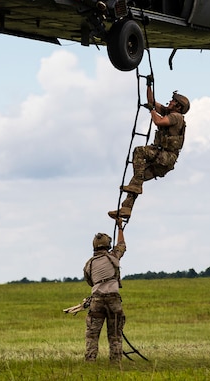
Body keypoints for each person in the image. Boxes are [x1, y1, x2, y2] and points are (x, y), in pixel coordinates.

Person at [109, 81, 189, 220]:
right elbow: (151, 101)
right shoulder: (168, 112)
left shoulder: (176, 117)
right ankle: (125, 209)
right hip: (163, 160)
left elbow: (158, 122)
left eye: (173, 101)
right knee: (136, 181)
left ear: (178, 106)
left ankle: (134, 191)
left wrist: (152, 110)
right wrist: (148, 86)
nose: (170, 101)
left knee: (139, 151)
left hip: (165, 156)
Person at [83, 222, 126, 362]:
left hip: (96, 300)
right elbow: (122, 245)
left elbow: (90, 282)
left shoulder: (89, 264)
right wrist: (120, 227)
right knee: (115, 334)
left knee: (92, 334)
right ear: (108, 245)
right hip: (114, 299)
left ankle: (90, 360)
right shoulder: (113, 256)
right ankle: (116, 361)